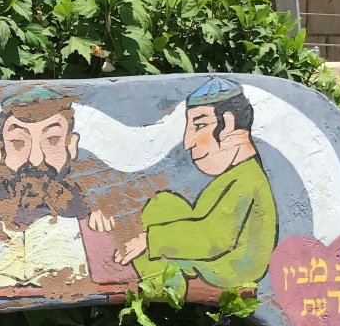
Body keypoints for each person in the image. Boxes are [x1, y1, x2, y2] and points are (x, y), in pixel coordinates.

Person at [114, 77, 277, 302]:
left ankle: (168, 286)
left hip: (229, 268)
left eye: (199, 126)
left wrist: (148, 241)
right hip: (215, 257)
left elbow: (214, 238)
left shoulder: (247, 178)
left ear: (228, 123)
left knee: (155, 222)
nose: (188, 142)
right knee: (162, 204)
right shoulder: (235, 175)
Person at [0, 88, 114, 290]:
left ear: (71, 146)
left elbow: (93, 221)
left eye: (52, 140)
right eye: (19, 142)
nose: (36, 159)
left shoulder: (74, 196)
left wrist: (97, 217)